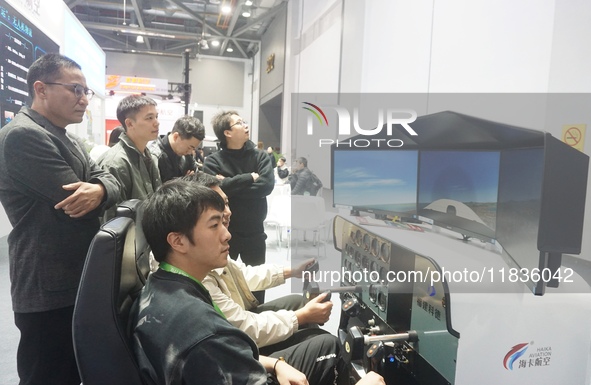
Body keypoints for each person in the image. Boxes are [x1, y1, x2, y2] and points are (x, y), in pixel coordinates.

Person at [131, 179, 384, 385]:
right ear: (178, 241)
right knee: (327, 345)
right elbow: (233, 338)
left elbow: (246, 278)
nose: (227, 234)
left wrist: (275, 363)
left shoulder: (163, 285)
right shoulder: (202, 330)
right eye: (214, 225)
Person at [0, 53, 120, 385]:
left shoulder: (66, 136)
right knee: (48, 374)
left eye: (86, 91)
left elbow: (109, 179)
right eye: (75, 90)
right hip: (47, 286)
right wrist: (102, 191)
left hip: (71, 280)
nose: (84, 99)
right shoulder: (23, 136)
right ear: (41, 88)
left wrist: (99, 188)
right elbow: (74, 202)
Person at [189, 173, 332, 354]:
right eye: (216, 210)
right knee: (327, 344)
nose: (227, 212)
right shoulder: (196, 274)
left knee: (300, 305)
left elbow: (245, 275)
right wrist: (301, 317)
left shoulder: (207, 252)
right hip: (236, 349)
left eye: (225, 203)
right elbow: (243, 328)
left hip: (238, 326)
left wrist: (292, 271)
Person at [203, 111, 274, 302]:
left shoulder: (260, 157)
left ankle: (261, 319)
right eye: (240, 123)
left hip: (254, 231)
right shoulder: (212, 161)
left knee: (260, 282)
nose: (246, 125)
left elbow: (266, 186)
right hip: (224, 231)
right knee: (223, 280)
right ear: (227, 132)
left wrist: (228, 185)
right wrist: (249, 177)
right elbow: (213, 191)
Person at [98, 95, 162, 220]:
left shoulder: (150, 156)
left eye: (156, 117)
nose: (156, 122)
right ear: (130, 123)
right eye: (149, 118)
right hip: (130, 238)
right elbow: (111, 223)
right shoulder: (115, 163)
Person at [148, 115, 205, 182]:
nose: (190, 152)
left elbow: (196, 180)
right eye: (189, 147)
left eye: (193, 149)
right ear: (176, 137)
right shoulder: (154, 156)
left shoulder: (187, 156)